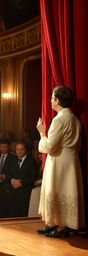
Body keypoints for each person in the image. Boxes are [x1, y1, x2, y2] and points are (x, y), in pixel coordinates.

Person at [36, 86, 85, 238]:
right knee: (67, 190)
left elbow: (49, 147)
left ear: (57, 100)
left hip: (59, 161)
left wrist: (42, 133)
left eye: (52, 98)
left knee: (59, 190)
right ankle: (55, 223)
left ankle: (63, 225)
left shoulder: (60, 120)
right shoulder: (74, 118)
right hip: (71, 160)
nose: (50, 101)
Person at [5, 142, 38, 217]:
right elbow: (7, 174)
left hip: (25, 194)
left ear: (25, 150)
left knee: (23, 214)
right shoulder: (12, 160)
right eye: (17, 149)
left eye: (21, 149)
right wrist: (13, 180)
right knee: (13, 215)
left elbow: (33, 177)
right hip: (13, 193)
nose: (19, 151)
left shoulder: (31, 161)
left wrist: (21, 182)